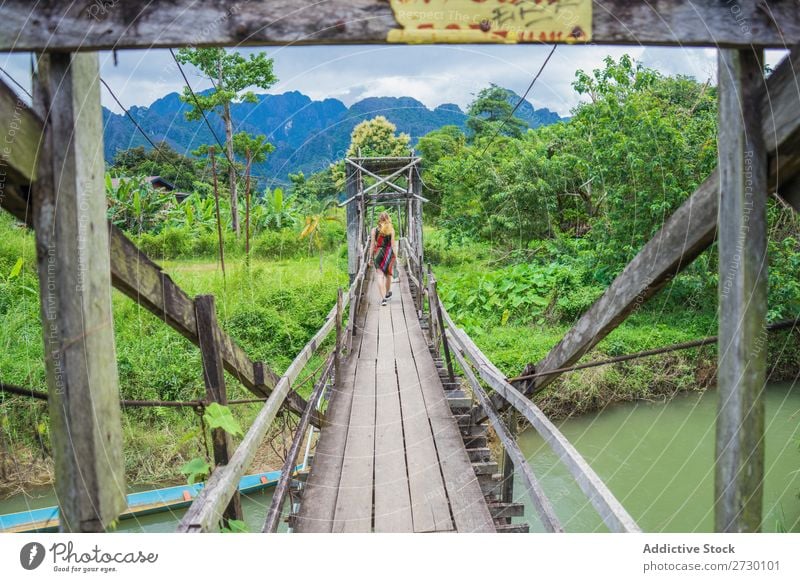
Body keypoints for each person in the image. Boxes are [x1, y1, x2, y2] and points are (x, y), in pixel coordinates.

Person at [371, 211, 398, 306]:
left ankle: (383, 299)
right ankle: (387, 293)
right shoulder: (391, 230)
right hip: (388, 253)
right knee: (388, 275)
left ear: (379, 219)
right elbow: (393, 244)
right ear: (388, 218)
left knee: (379, 276)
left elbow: (372, 245)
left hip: (378, 252)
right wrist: (396, 257)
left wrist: (370, 257)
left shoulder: (374, 230)